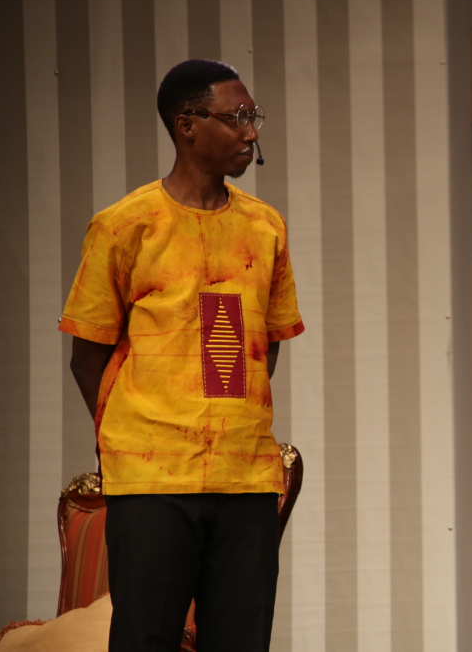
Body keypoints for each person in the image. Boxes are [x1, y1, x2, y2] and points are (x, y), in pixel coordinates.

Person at [60, 59, 304, 652]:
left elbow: (265, 346)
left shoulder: (265, 227)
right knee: (146, 637)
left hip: (244, 476)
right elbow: (86, 357)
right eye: (236, 117)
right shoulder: (125, 226)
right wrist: (136, 433)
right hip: (152, 480)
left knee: (242, 639)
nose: (251, 132)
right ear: (187, 125)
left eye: (254, 117)